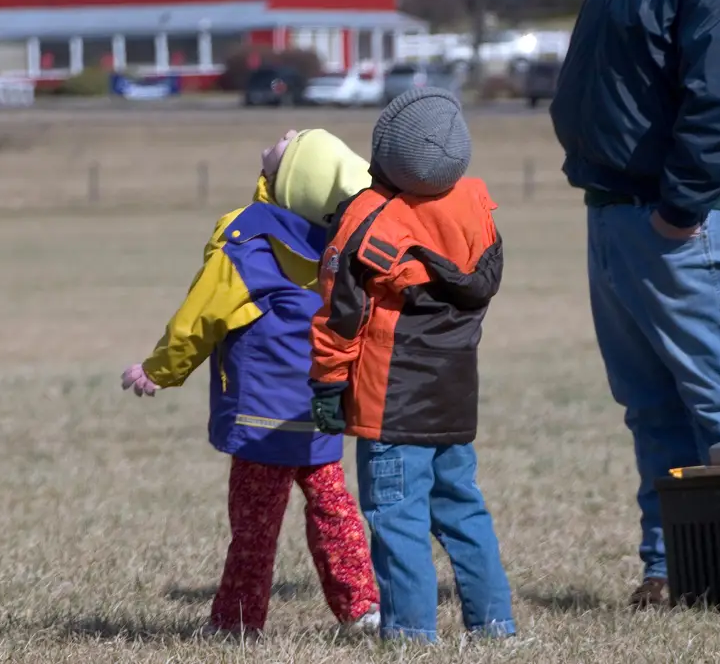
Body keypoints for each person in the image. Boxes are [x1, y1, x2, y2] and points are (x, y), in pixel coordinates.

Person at [548, 0, 720, 606]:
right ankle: (676, 568)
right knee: (652, 409)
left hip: (686, 219)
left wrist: (682, 203)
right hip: (616, 208)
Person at [120, 129, 380, 637]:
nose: (285, 133)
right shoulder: (340, 250)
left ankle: (237, 623)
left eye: (295, 141)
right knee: (335, 512)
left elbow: (203, 315)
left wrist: (160, 369)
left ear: (291, 180)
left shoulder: (250, 243)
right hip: (319, 410)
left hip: (260, 420)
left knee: (254, 529)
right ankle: (362, 610)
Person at [308, 88, 516, 642]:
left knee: (396, 519)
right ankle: (495, 625)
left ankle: (408, 636)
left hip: (389, 402)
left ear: (388, 153)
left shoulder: (369, 217)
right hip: (454, 393)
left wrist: (327, 384)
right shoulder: (477, 204)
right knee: (462, 510)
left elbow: (339, 315)